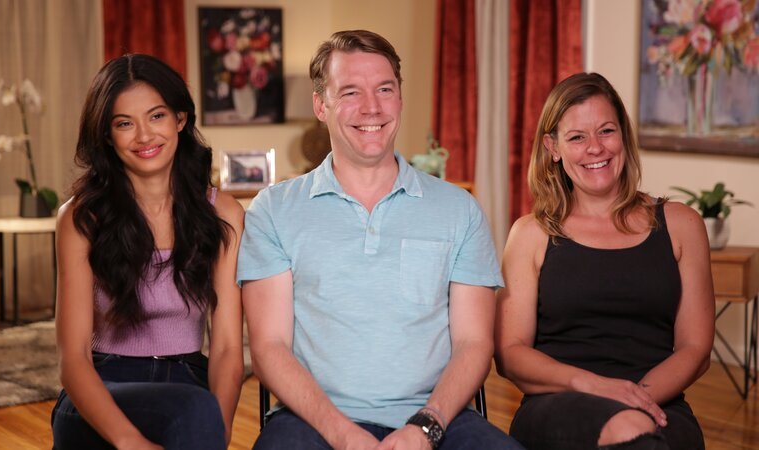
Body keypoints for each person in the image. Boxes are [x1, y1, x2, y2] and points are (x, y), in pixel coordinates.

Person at [237, 30, 523, 450]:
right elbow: (269, 347)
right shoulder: (273, 210)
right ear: (320, 105)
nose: (371, 107)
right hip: (311, 420)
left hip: (436, 417)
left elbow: (474, 343)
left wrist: (426, 426)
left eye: (385, 89)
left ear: (400, 99)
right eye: (350, 91)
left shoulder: (459, 209)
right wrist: (343, 435)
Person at [494, 72, 714, 449]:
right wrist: (594, 386)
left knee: (637, 429)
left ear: (623, 135)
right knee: (630, 431)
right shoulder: (530, 234)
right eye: (577, 137)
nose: (595, 148)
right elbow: (510, 354)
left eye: (606, 131)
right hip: (557, 402)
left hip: (659, 402)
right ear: (553, 147)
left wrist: (635, 398)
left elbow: (696, 349)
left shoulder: (683, 225)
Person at [50, 54, 245, 449]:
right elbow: (73, 360)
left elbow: (226, 348)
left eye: (156, 116)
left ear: (180, 119)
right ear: (107, 136)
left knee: (195, 411)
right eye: (124, 123)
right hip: (101, 387)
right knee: (193, 411)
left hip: (188, 384)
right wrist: (130, 443)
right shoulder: (81, 218)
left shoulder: (223, 214)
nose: (144, 136)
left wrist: (219, 432)